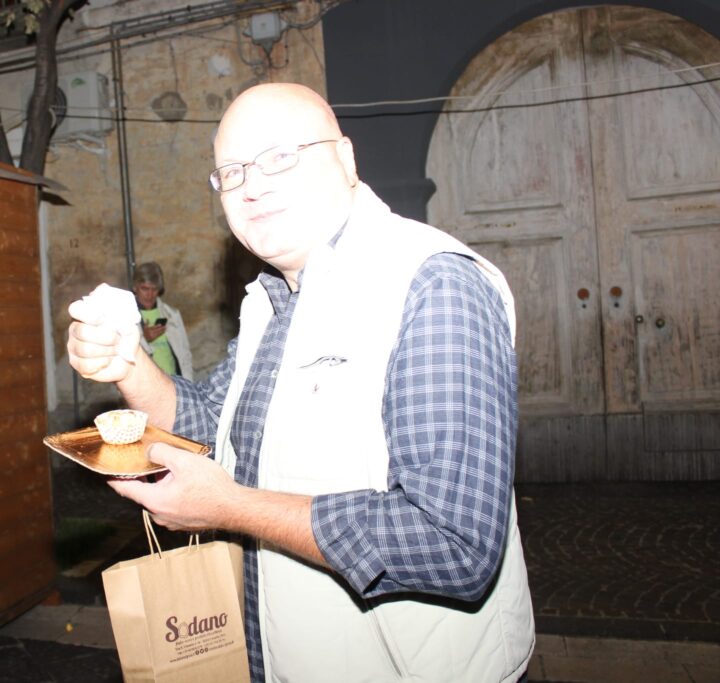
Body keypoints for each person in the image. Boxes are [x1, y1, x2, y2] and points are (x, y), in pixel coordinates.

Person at [67, 83, 534, 682]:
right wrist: (129, 362)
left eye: (280, 157)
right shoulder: (272, 299)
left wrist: (230, 507)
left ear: (345, 158)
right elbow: (209, 420)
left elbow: (451, 543)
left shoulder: (432, 285)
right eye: (230, 172)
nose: (252, 185)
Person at [133, 261, 194, 378]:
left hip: (175, 381)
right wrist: (145, 339)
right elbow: (125, 357)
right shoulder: (126, 317)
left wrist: (188, 383)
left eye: (154, 289)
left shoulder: (172, 314)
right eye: (145, 289)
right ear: (135, 287)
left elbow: (185, 354)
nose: (150, 294)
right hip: (145, 384)